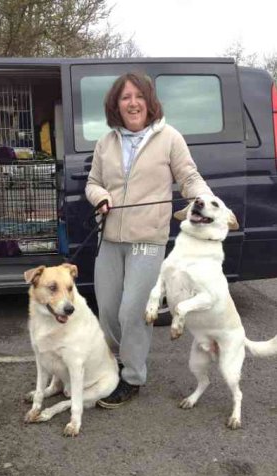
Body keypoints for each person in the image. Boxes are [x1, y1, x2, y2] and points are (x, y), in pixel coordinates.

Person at [85, 72, 213, 408]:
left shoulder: (169, 137)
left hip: (148, 240)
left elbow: (189, 177)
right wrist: (100, 196)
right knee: (109, 311)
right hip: (109, 238)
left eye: (138, 96)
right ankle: (114, 362)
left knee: (133, 312)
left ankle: (132, 377)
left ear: (149, 101)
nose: (132, 103)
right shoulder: (106, 142)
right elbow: (92, 182)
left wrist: (206, 200)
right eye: (125, 97)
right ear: (116, 104)